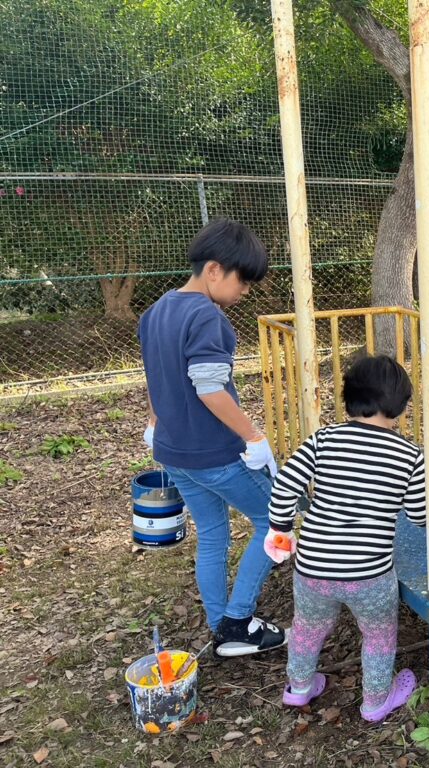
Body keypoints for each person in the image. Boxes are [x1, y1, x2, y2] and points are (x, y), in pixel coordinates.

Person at [139, 218, 286, 658]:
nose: (244, 293)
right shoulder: (208, 317)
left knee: (214, 533)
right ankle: (239, 621)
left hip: (174, 452)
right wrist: (254, 436)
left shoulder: (157, 310)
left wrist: (153, 424)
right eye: (244, 282)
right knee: (274, 522)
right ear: (216, 270)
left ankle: (221, 625)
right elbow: (209, 389)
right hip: (215, 454)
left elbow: (156, 378)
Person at [265, 355, 427, 721]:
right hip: (369, 575)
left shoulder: (323, 439)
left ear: (349, 398)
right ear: (400, 405)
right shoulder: (409, 455)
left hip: (313, 569)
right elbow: (419, 516)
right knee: (379, 635)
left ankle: (300, 688)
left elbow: (285, 483)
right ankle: (374, 701)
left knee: (307, 627)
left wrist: (281, 528)